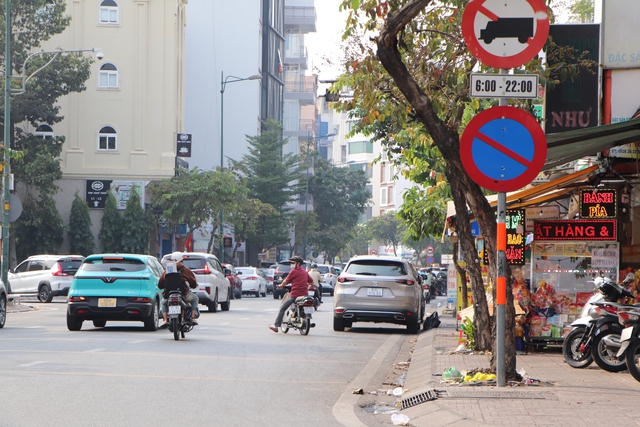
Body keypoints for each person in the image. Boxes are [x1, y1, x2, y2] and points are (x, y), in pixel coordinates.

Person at [268, 256, 313, 333]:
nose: (291, 265)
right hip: (305, 294)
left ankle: (276, 325)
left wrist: (281, 285)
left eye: (293, 263)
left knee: (282, 308)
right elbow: (311, 281)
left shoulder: (293, 271)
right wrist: (306, 284)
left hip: (295, 294)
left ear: (298, 264)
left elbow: (286, 281)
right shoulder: (305, 272)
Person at [158, 251, 199, 329]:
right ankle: (193, 318)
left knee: (163, 302)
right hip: (184, 294)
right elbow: (193, 283)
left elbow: (160, 284)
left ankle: (165, 320)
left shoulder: (167, 270)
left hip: (168, 295)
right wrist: (193, 286)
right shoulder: (186, 270)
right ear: (181, 260)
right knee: (195, 299)